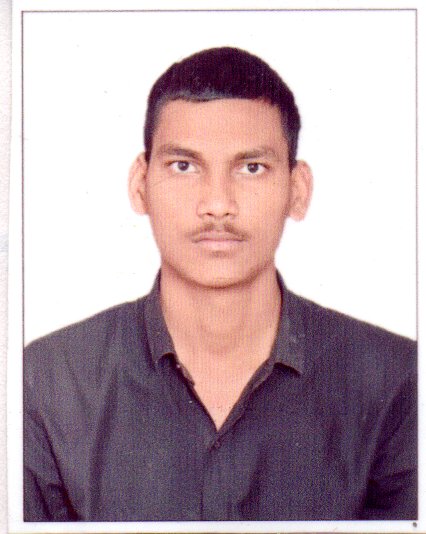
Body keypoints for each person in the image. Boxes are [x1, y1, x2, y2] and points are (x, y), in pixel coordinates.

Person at [24, 47, 417, 522]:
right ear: (140, 184)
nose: (216, 204)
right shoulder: (47, 383)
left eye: (251, 167)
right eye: (183, 166)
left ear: (298, 190)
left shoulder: (399, 382)